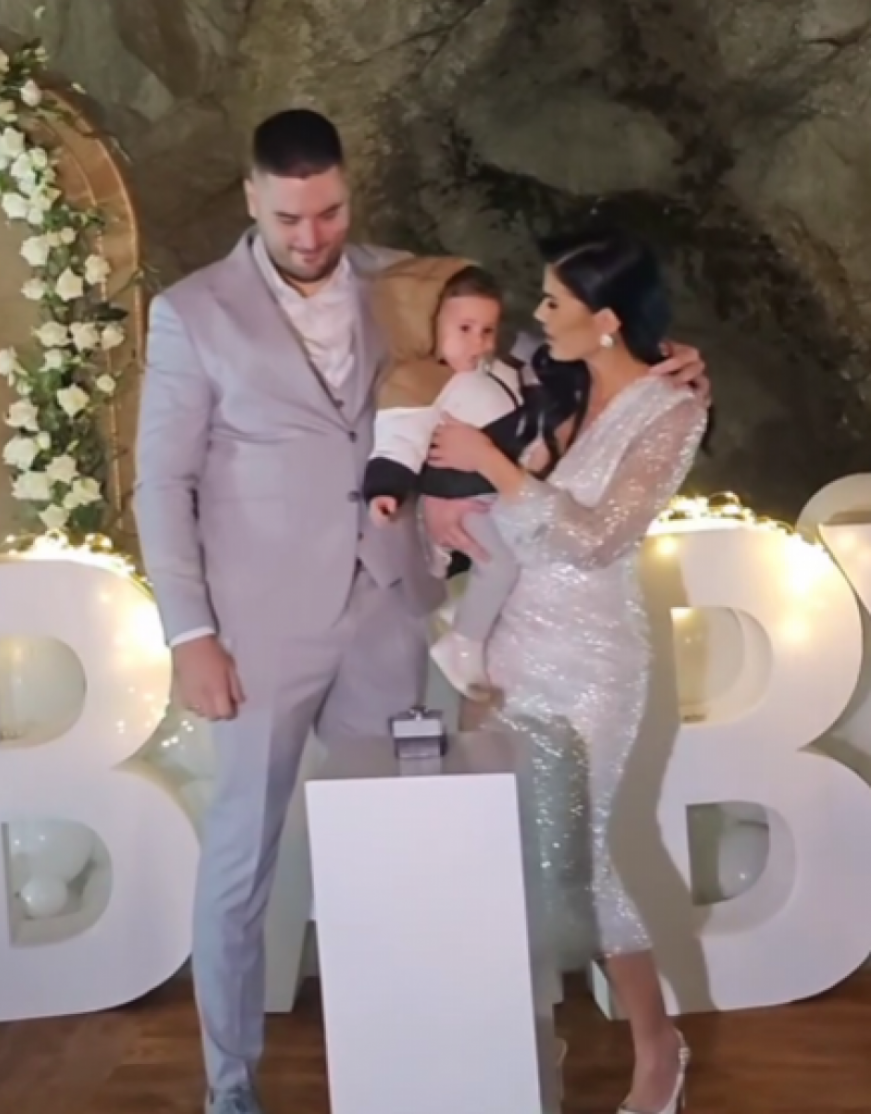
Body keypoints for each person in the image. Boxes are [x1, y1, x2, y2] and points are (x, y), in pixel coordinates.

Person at [134, 105, 709, 1114]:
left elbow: (532, 345)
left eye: (329, 212)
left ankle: (406, 1070)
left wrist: (661, 354)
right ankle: (231, 1089)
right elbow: (161, 483)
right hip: (260, 631)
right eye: (289, 217)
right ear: (252, 199)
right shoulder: (192, 312)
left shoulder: (407, 278)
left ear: (347, 191)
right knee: (240, 859)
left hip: (390, 613)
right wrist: (191, 634)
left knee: (401, 853)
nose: (312, 235)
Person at [428, 225, 708, 1114]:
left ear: (606, 319)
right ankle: (520, 1033)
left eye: (555, 301)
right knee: (496, 846)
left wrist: (491, 465)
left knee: (581, 859)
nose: (538, 314)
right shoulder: (555, 376)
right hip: (505, 651)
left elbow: (595, 538)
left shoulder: (673, 411)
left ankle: (658, 1049)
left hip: (591, 662)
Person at [365, 257, 531, 698]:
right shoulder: (418, 381)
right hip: (466, 497)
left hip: (496, 492)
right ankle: (463, 644)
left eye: (487, 330)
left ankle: (468, 621)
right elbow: (398, 438)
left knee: (509, 566)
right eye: (465, 328)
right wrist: (385, 488)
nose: (478, 342)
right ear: (428, 324)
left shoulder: (497, 369)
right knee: (500, 565)